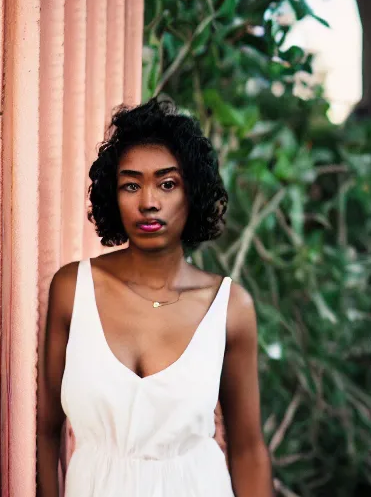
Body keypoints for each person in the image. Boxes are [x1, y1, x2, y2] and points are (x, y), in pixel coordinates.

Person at [36, 98, 272, 496]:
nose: (149, 201)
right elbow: (46, 428)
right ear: (114, 195)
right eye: (131, 184)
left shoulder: (229, 308)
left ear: (191, 192)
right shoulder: (72, 291)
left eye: (167, 183)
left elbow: (248, 449)